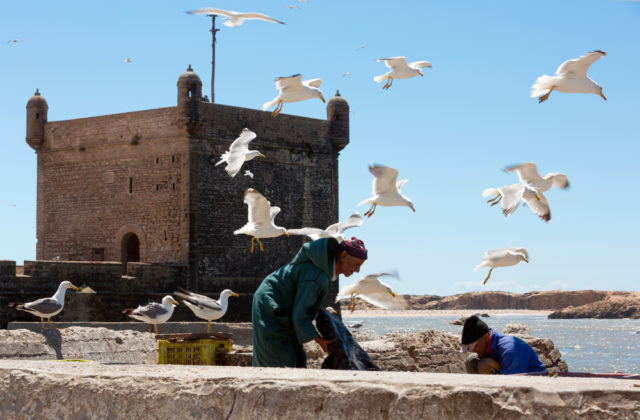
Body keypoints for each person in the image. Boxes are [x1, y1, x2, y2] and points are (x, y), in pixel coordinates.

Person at [252, 237, 367, 367]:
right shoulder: (317, 276)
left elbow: (303, 303)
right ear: (344, 255)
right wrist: (319, 340)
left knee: (299, 358)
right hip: (271, 304)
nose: (357, 270)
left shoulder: (323, 271)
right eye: (357, 264)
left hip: (281, 304)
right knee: (279, 356)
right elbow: (299, 315)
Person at [460, 315, 547, 375]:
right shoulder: (488, 345)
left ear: (486, 337)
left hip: (531, 382)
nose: (473, 350)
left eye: (474, 347)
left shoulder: (509, 349)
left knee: (485, 364)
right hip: (510, 375)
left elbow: (512, 384)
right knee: (471, 360)